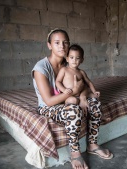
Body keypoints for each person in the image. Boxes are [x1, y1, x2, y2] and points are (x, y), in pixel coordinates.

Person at [31, 28, 113, 169]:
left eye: (65, 42)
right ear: (49, 45)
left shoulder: (69, 64)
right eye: (57, 43)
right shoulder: (41, 68)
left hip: (70, 100)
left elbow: (84, 86)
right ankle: (75, 153)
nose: (62, 46)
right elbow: (49, 101)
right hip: (49, 107)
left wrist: (82, 98)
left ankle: (92, 145)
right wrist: (73, 92)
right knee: (73, 112)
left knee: (94, 103)